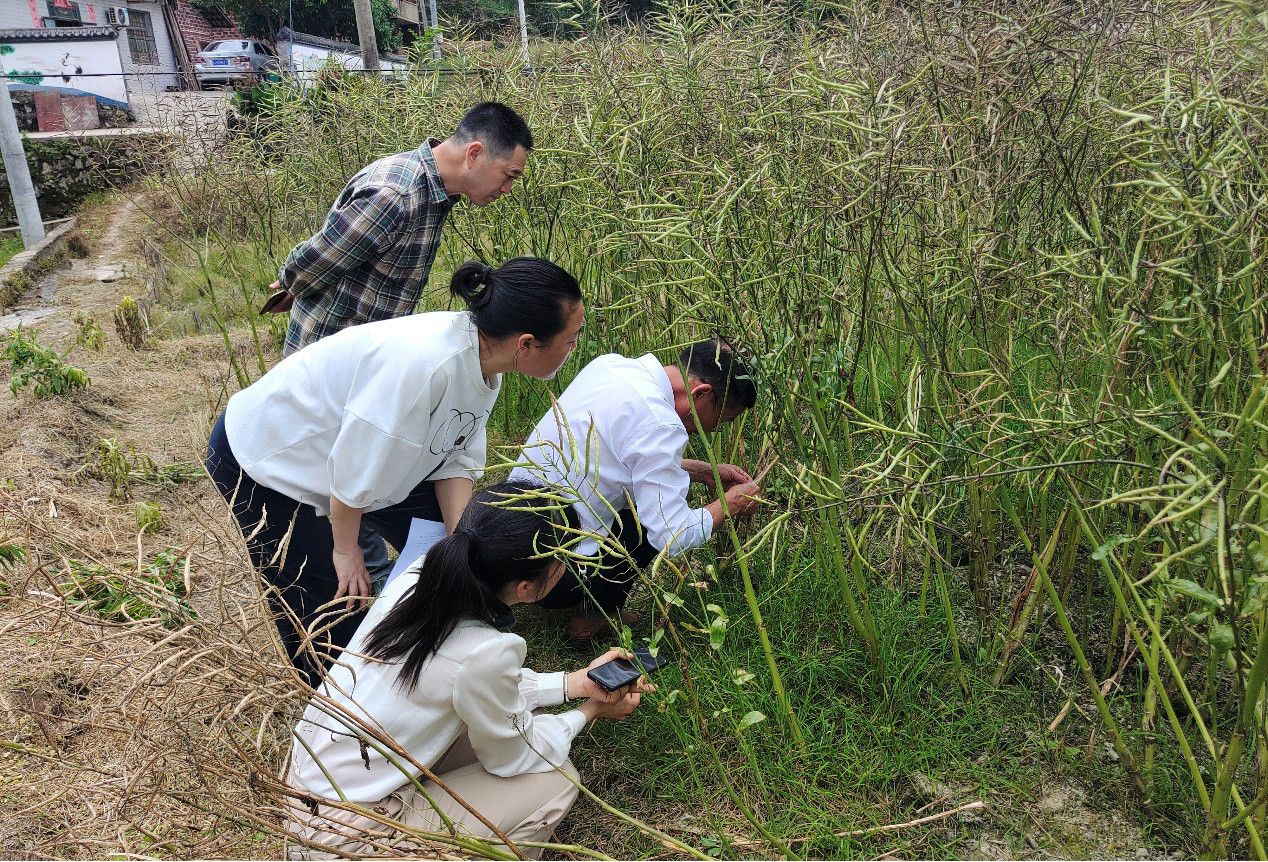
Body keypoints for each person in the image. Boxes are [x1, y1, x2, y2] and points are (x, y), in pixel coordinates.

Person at [206, 258, 584, 683]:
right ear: (527, 343)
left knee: (475, 551)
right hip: (271, 461)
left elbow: (454, 455)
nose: (573, 349)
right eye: (571, 339)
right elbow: (353, 477)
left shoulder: (485, 362)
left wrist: (462, 535)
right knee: (333, 605)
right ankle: (339, 712)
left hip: (364, 466)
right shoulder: (423, 367)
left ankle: (454, 657)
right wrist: (346, 552)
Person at [285, 482, 651, 860]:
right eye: (564, 562)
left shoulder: (423, 576)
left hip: (308, 788)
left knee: (518, 718)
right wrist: (590, 711)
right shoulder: (488, 651)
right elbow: (513, 755)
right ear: (525, 587)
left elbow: (467, 681)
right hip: (346, 836)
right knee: (556, 780)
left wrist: (573, 684)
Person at [511, 338, 761, 641]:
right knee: (647, 520)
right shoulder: (661, 425)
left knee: (646, 498)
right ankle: (590, 619)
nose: (712, 430)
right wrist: (731, 504)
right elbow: (671, 533)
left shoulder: (611, 366)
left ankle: (594, 602)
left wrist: (703, 471)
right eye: (722, 420)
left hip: (513, 542)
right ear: (702, 394)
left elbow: (622, 454)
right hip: (549, 576)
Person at [266, 101, 534, 356]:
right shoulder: (396, 195)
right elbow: (316, 262)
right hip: (326, 361)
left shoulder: (433, 193)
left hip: (364, 356)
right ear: (474, 154)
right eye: (508, 175)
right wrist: (291, 282)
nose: (507, 188)